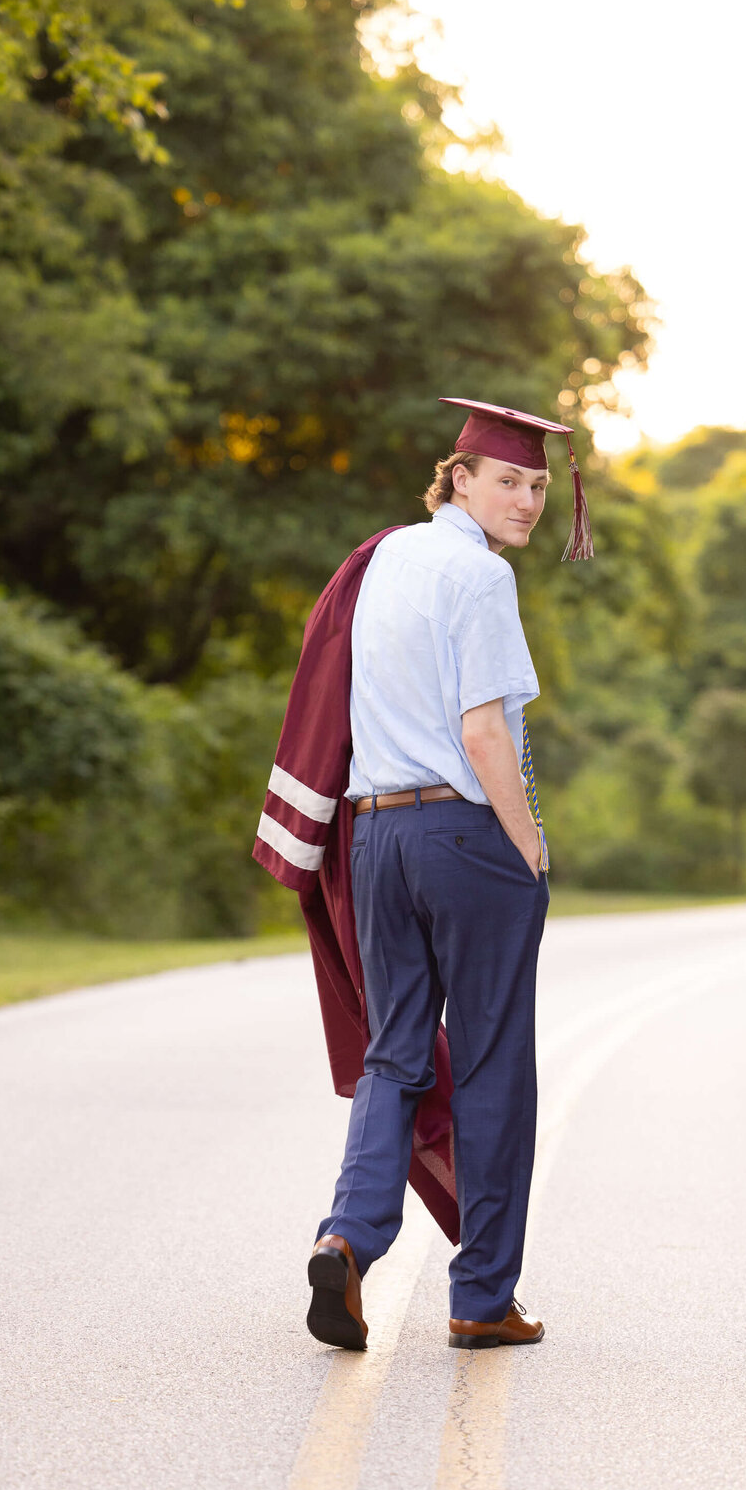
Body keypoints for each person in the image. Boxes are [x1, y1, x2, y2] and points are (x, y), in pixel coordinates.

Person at [252, 397, 593, 1351]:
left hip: (374, 837)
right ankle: (482, 1295)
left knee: (394, 1054)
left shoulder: (386, 557)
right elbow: (485, 732)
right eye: (508, 481)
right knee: (491, 1065)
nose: (526, 500)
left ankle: (348, 1239)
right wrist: (529, 845)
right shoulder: (480, 579)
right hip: (463, 841)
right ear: (460, 477)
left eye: (536, 485)